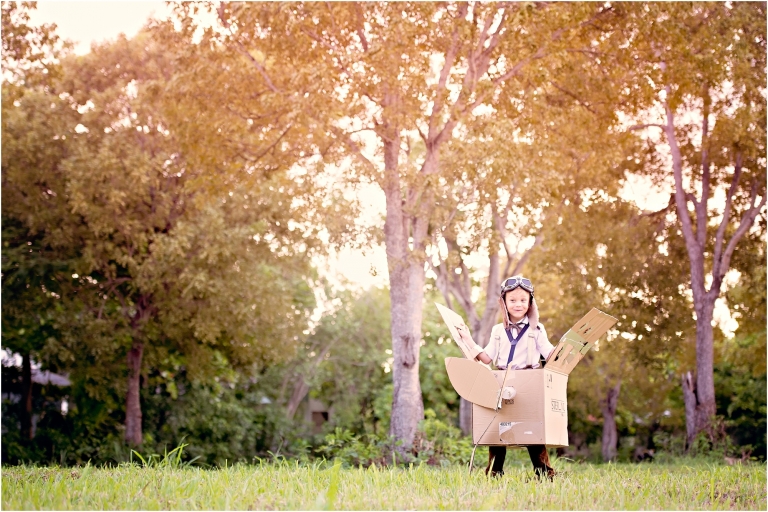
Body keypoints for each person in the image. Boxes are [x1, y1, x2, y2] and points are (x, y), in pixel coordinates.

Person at [473, 275, 557, 480]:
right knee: (498, 427)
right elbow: (486, 357)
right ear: (504, 302)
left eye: (523, 300)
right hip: (503, 381)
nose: (518, 304)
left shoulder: (536, 329)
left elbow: (549, 353)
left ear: (530, 303)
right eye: (513, 300)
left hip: (529, 380)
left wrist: (566, 350)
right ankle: (495, 472)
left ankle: (544, 472)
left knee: (532, 428)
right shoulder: (497, 330)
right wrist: (467, 341)